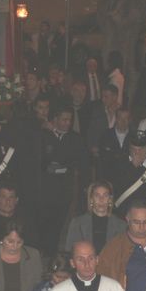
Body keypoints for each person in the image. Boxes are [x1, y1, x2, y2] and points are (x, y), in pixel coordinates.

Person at [40, 105, 89, 255]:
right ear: (55, 120)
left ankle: (55, 252)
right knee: (44, 222)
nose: (68, 123)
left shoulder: (75, 138)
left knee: (60, 222)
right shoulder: (43, 135)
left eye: (69, 120)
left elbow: (82, 162)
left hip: (65, 188)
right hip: (46, 188)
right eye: (64, 119)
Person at [62, 181, 127, 255]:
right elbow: (70, 252)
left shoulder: (121, 225)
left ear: (110, 199)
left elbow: (123, 254)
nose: (101, 199)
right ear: (91, 199)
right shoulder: (77, 223)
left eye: (105, 195)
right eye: (97, 195)